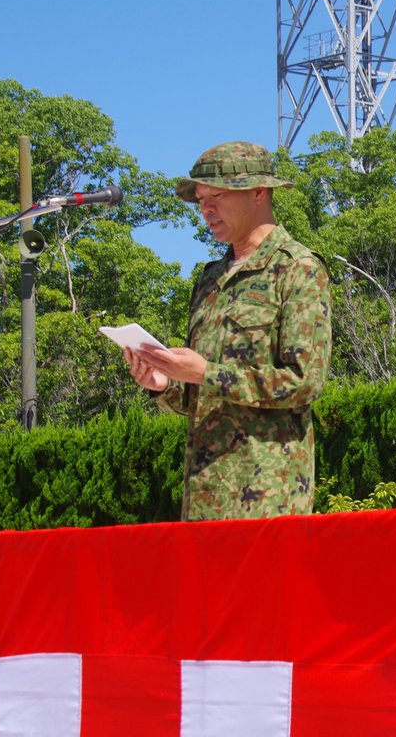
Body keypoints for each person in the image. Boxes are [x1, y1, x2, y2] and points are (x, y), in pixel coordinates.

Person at [124, 141, 332, 521]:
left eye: (217, 195)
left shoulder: (297, 269)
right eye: (201, 198)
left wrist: (206, 372)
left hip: (269, 497)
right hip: (204, 496)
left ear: (258, 192)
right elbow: (201, 400)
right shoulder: (209, 280)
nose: (205, 208)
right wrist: (164, 383)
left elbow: (305, 382)